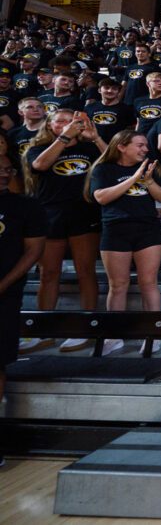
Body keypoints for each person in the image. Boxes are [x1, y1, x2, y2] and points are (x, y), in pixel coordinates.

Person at [21, 110, 105, 354]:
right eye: (60, 121)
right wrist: (65, 138)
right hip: (50, 216)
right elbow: (40, 165)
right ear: (50, 125)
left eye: (72, 121)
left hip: (84, 214)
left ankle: (84, 329)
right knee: (48, 273)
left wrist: (96, 138)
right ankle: (43, 330)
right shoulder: (38, 148)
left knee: (85, 272)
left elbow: (116, 162)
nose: (66, 125)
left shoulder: (89, 148)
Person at [86, 131, 161, 355]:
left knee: (148, 282)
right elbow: (101, 197)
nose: (145, 149)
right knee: (118, 285)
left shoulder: (153, 168)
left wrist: (148, 181)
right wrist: (134, 178)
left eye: (146, 146)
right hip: (115, 229)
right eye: (140, 145)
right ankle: (114, 335)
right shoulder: (104, 169)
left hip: (147, 229)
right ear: (122, 146)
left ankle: (152, 334)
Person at [0, 152, 46, 466]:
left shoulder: (25, 206)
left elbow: (33, 252)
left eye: (7, 169)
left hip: (5, 297)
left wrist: (2, 285)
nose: (5, 173)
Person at [86, 78, 136, 143]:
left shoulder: (127, 109)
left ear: (118, 92)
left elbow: (132, 129)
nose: (110, 91)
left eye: (114, 89)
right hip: (93, 145)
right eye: (106, 88)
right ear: (99, 90)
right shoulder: (89, 107)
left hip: (116, 146)